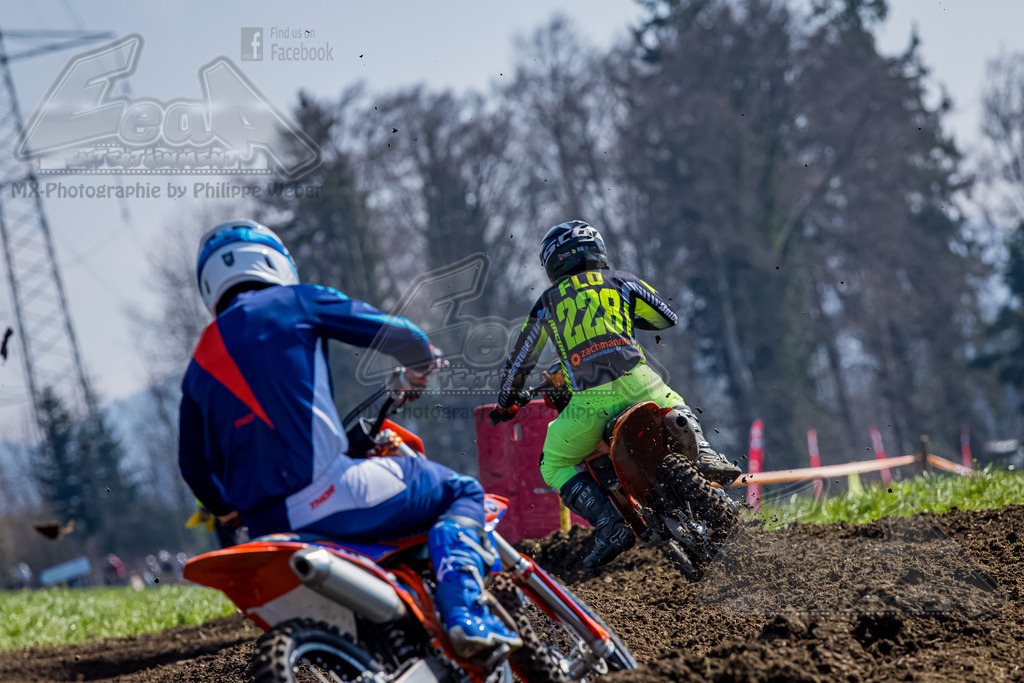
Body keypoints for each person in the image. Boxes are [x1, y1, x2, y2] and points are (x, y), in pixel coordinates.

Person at [178, 219, 519, 657]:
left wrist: (225, 509)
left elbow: (192, 466)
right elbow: (402, 335)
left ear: (210, 287)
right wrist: (418, 366)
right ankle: (464, 612)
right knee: (461, 491)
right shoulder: (296, 301)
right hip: (330, 495)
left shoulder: (198, 363)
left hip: (265, 531)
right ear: (274, 261)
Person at [490, 220, 741, 569]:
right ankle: (707, 457)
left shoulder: (547, 302)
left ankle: (611, 526)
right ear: (597, 249)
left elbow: (519, 362)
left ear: (552, 263)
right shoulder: (622, 279)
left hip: (592, 402)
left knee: (554, 461)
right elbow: (665, 317)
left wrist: (505, 403)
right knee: (677, 406)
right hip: (642, 382)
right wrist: (618, 317)